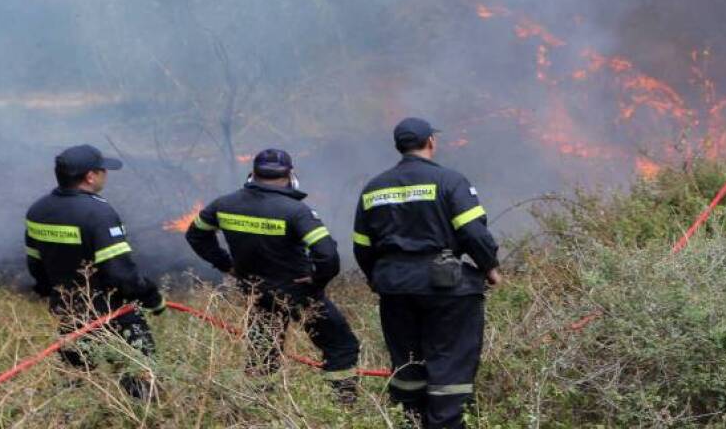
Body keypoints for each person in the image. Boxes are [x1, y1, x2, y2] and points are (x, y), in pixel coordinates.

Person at [353, 118, 501, 429]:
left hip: (394, 287)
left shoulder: (373, 188)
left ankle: (410, 420)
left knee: (407, 363)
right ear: (431, 142)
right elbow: (474, 232)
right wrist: (489, 268)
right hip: (445, 289)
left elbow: (362, 245)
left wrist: (376, 277)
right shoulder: (451, 182)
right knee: (450, 365)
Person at [185, 148, 361, 404]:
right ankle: (344, 406)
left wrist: (227, 265)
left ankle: (259, 407)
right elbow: (328, 255)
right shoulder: (296, 211)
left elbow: (196, 235)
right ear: (290, 176)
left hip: (257, 293)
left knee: (262, 355)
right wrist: (316, 280)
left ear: (252, 174)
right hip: (300, 294)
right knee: (341, 346)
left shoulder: (223, 205)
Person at [25, 144, 166, 399]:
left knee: (76, 383)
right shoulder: (99, 213)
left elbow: (36, 265)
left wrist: (56, 295)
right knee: (141, 381)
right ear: (90, 176)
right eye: (103, 170)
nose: (105, 175)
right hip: (114, 315)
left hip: (70, 314)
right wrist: (151, 297)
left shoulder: (38, 210)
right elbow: (120, 273)